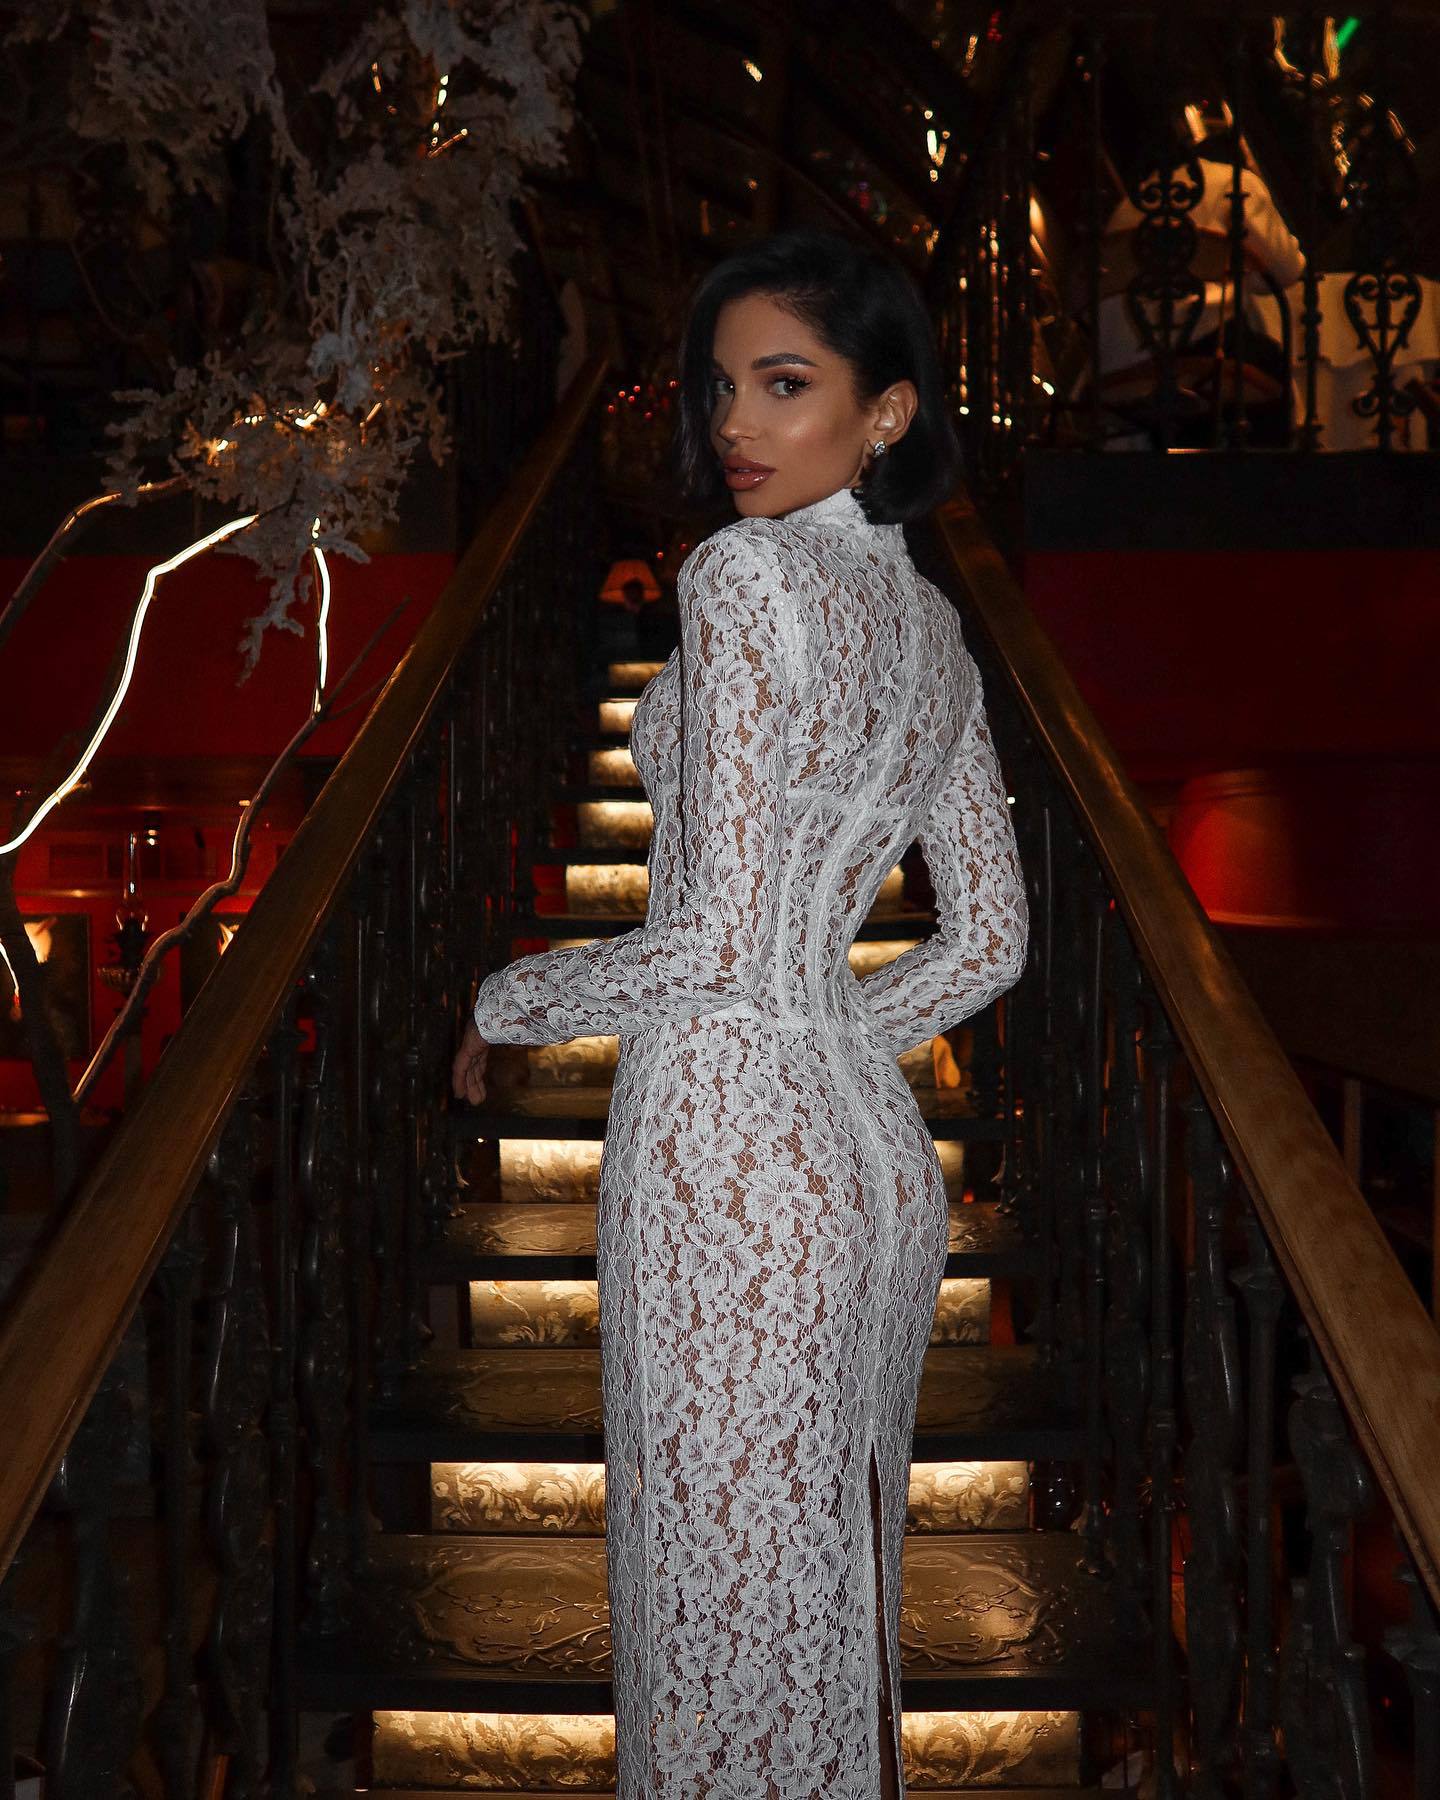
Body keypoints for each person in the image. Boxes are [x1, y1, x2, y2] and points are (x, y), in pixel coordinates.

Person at [451, 227, 1029, 1800]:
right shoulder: (935, 634)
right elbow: (989, 945)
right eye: (722, 388)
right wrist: (826, 1034)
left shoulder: (745, 575)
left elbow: (713, 939)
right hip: (872, 1164)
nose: (735, 426)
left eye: (785, 384)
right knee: (826, 1607)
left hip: (727, 1163)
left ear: (888, 411)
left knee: (720, 1626)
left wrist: (512, 997)